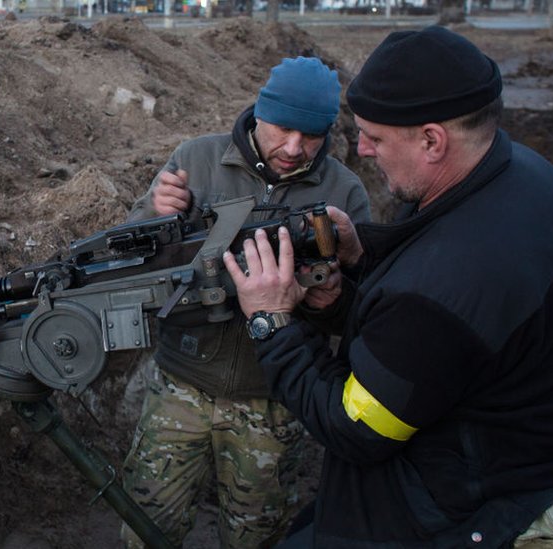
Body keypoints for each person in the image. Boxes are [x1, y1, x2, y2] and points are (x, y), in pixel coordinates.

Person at [223, 26, 553, 547]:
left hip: (471, 500)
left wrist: (271, 321)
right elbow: (430, 296)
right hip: (517, 446)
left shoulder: (452, 282)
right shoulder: (525, 174)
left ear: (432, 139)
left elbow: (356, 428)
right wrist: (364, 253)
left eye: (374, 137)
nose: (362, 150)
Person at [121, 57, 371, 548]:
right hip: (181, 386)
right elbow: (131, 259)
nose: (294, 148)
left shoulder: (345, 192)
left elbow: (363, 309)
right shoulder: (197, 159)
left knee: (257, 535)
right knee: (146, 526)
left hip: (275, 403)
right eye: (283, 129)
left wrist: (328, 300)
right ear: (259, 111)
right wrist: (154, 214)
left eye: (312, 136)